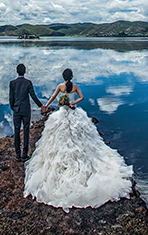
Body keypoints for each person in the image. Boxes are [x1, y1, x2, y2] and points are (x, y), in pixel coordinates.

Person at [24, 68, 133, 212]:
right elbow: (82, 97)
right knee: (80, 139)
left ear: (63, 77)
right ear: (72, 76)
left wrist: (45, 106)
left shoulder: (60, 86)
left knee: (59, 138)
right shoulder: (74, 87)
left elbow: (52, 97)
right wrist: (73, 102)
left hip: (62, 113)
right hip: (72, 111)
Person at [9, 63, 47, 162]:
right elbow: (33, 96)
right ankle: (25, 153)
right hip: (26, 110)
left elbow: (11, 98)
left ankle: (18, 154)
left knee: (17, 131)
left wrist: (13, 107)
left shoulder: (12, 83)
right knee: (26, 130)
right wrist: (41, 106)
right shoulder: (28, 83)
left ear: (17, 72)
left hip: (17, 109)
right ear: (25, 71)